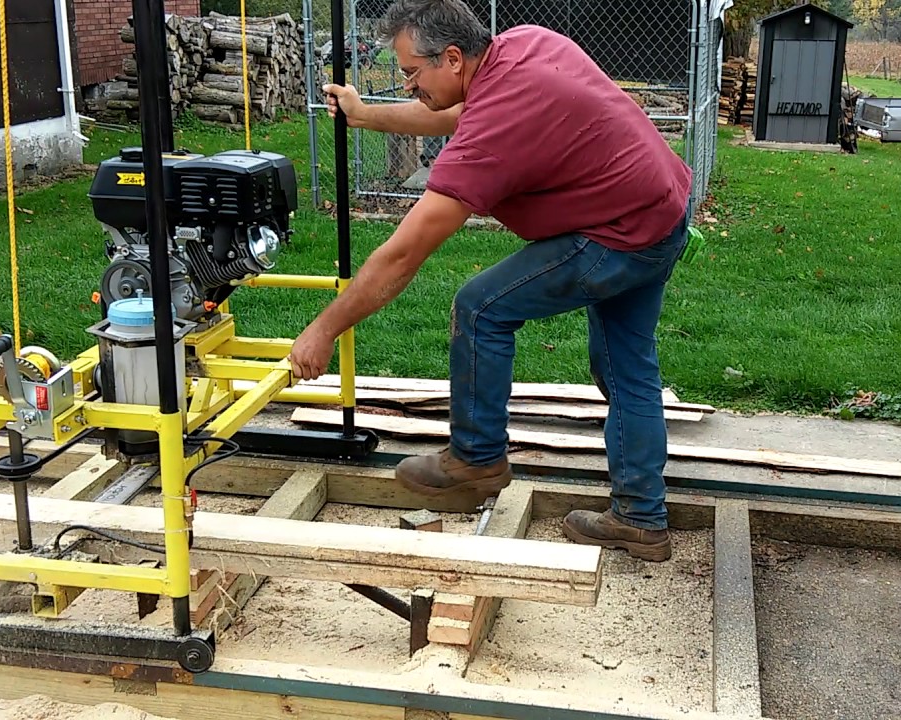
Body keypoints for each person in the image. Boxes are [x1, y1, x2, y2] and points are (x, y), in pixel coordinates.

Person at [288, 0, 693, 562]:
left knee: (480, 308)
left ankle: (477, 459)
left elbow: (401, 255)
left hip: (619, 235)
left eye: (410, 73)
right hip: (661, 209)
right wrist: (365, 115)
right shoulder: (522, 45)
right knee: (626, 370)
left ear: (452, 58)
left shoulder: (492, 127)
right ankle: (641, 518)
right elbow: (457, 114)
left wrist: (323, 330)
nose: (408, 85)